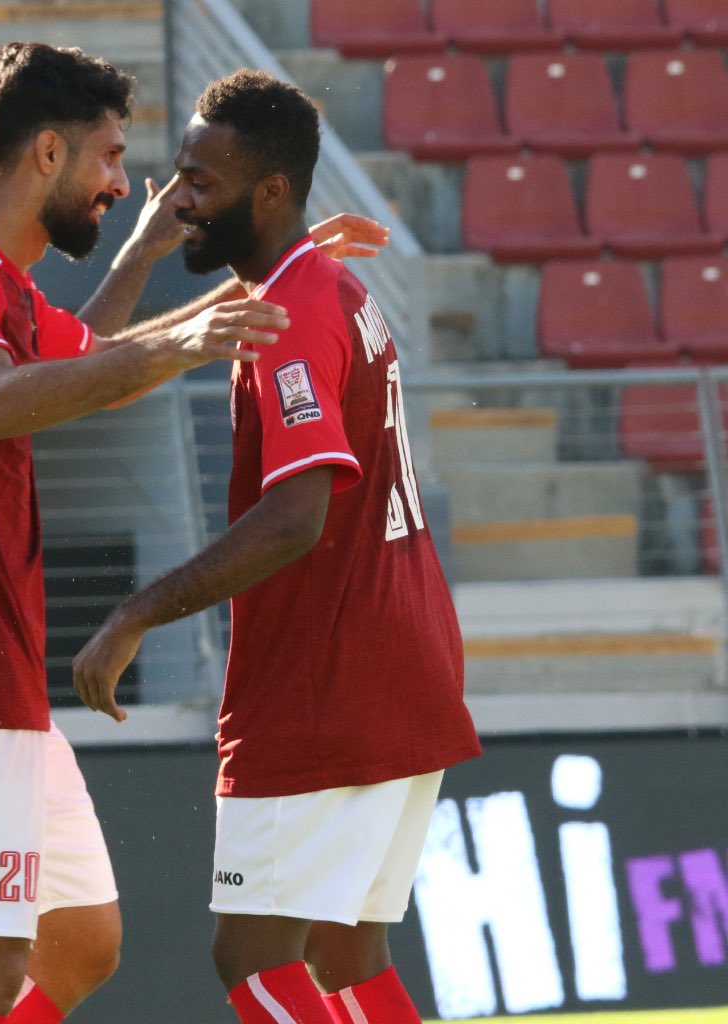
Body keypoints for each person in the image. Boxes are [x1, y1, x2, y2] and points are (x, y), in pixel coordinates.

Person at [0, 39, 303, 1024]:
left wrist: (261, 281)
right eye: (107, 156)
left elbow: (91, 360)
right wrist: (185, 341)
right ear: (46, 153)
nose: (119, 182)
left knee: (82, 940)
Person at [72, 70, 483, 1024]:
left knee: (251, 957)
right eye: (178, 175)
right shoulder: (317, 286)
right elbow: (101, 367)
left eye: (201, 182)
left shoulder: (292, 310)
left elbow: (299, 515)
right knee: (345, 954)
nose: (178, 200)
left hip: (325, 679)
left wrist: (137, 612)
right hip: (399, 661)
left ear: (270, 192)